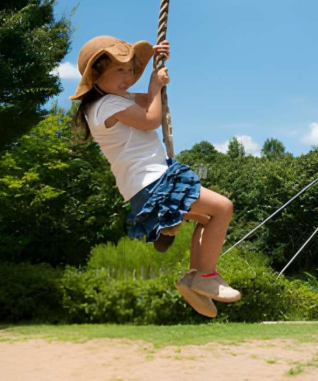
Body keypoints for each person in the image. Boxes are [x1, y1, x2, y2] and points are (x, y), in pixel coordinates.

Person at [69, 35, 240, 318]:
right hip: (152, 182)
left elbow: (150, 100)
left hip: (146, 183)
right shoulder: (107, 105)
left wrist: (153, 63)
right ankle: (205, 276)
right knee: (223, 207)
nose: (126, 77)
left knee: (209, 219)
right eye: (118, 71)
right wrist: (154, 83)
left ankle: (194, 278)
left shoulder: (109, 99)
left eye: (129, 70)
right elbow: (151, 118)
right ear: (97, 76)